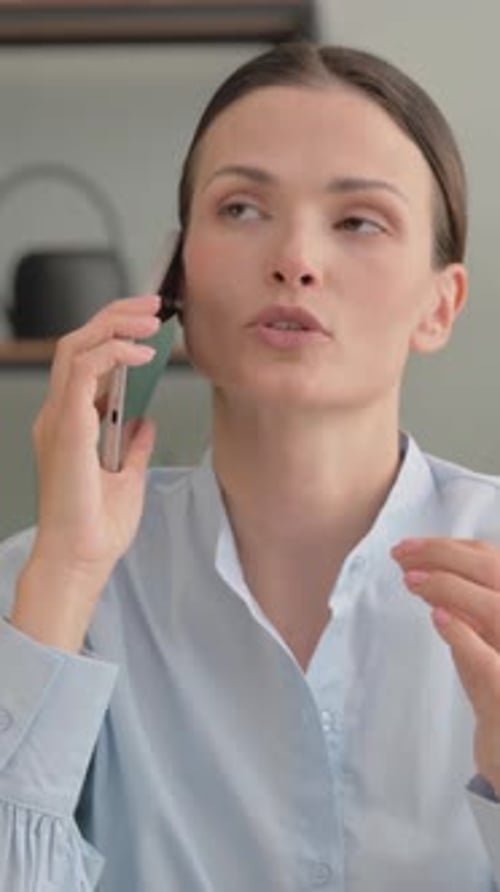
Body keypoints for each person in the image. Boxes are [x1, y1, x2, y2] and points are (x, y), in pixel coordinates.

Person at [0, 40, 500, 892]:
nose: (295, 259)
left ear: (440, 305)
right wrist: (65, 580)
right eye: (240, 210)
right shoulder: (38, 587)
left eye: (358, 221)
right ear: (173, 284)